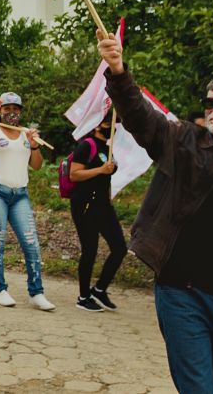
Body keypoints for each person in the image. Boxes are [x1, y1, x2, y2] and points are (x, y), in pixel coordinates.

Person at [99, 31, 213, 392]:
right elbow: (140, 116)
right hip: (184, 294)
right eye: (211, 102)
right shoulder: (183, 141)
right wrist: (117, 70)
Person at [0, 92, 56, 311]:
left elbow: (36, 165)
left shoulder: (26, 133)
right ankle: (0, 289)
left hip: (20, 195)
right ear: (0, 111)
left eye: (16, 109)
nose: (12, 112)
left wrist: (34, 146)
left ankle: (36, 292)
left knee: (31, 243)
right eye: (7, 108)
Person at [67, 113, 126, 312]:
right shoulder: (87, 145)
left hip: (103, 205)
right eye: (108, 123)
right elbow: (74, 174)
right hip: (85, 205)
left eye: (114, 124)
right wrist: (100, 170)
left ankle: (99, 289)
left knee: (120, 248)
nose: (112, 127)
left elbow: (106, 179)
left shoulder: (108, 149)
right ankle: (83, 297)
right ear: (96, 125)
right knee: (90, 250)